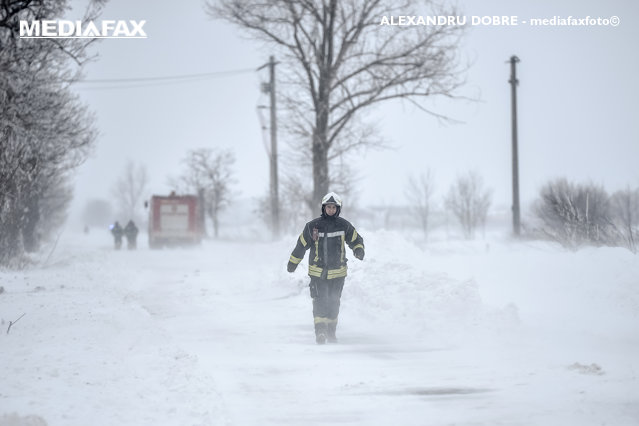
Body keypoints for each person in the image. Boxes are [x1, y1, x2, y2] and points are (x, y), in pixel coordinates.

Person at [287, 192, 365, 344]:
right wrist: (293, 263)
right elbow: (301, 245)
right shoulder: (313, 226)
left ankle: (331, 332)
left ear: (338, 209)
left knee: (334, 302)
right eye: (328, 207)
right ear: (323, 208)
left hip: (338, 274)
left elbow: (356, 239)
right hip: (318, 274)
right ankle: (320, 332)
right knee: (320, 301)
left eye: (334, 207)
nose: (331, 210)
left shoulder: (344, 225)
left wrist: (358, 250)